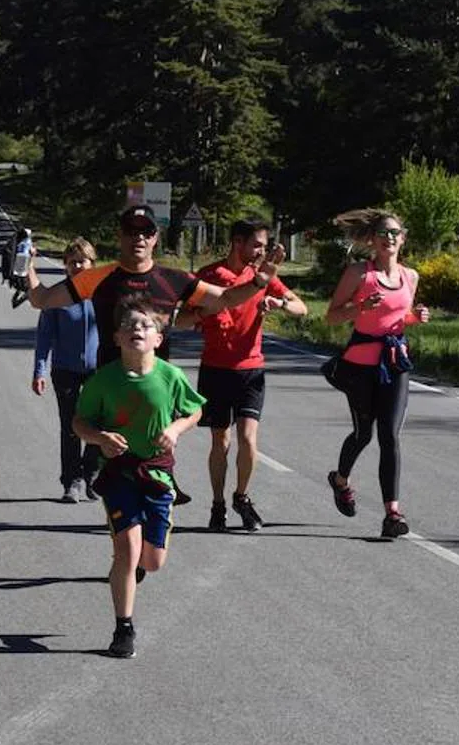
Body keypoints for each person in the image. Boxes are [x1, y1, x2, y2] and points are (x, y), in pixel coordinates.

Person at [26, 203, 279, 503]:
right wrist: (25, 266)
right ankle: (120, 502)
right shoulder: (98, 277)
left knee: (156, 463)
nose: (139, 239)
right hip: (114, 387)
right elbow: (42, 299)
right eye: (132, 232)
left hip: (159, 386)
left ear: (155, 238)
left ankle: (155, 494)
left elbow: (225, 297)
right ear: (120, 236)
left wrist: (260, 281)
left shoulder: (174, 280)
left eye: (146, 232)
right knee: (123, 473)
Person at [74, 295, 205, 659]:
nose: (137, 330)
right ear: (117, 337)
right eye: (130, 325)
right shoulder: (103, 380)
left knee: (153, 561)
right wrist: (100, 437)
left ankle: (132, 571)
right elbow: (80, 422)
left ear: (158, 339)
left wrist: (177, 429)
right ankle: (123, 628)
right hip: (119, 472)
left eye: (145, 325)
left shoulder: (171, 376)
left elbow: (194, 411)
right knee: (127, 551)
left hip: (158, 473)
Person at [178, 218, 308, 532]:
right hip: (216, 369)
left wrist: (279, 303)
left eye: (264, 245)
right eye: (257, 244)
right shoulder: (209, 275)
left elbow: (301, 308)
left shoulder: (262, 275)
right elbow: (180, 319)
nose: (261, 250)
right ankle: (218, 505)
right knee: (220, 441)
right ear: (238, 242)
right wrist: (201, 313)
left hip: (251, 369)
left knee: (248, 439)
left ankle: (241, 496)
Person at [323, 209, 431, 538]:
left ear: (404, 238)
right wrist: (359, 308)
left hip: (395, 363)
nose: (390, 238)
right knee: (363, 434)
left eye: (395, 233)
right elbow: (331, 317)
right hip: (359, 365)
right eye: (384, 233)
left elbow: (398, 318)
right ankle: (340, 480)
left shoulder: (410, 277)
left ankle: (392, 514)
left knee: (390, 435)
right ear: (372, 240)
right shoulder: (359, 273)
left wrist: (416, 317)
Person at [32, 238, 100, 503]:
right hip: (65, 369)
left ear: (92, 264)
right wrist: (39, 370)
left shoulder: (103, 294)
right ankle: (71, 481)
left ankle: (91, 474)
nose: (76, 266)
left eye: (82, 261)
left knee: (98, 425)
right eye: (71, 262)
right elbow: (44, 336)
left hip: (99, 370)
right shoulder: (57, 295)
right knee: (70, 426)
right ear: (65, 266)